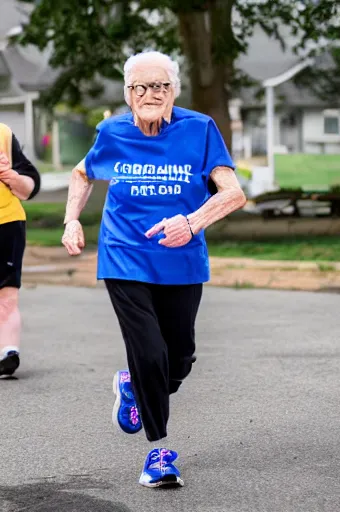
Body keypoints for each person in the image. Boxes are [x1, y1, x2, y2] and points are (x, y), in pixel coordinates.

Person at [61, 50, 246, 488]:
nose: (150, 94)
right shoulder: (112, 131)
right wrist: (71, 219)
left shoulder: (199, 129)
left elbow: (233, 192)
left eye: (160, 86)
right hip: (124, 255)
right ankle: (157, 453)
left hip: (182, 258)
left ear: (174, 90)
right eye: (140, 87)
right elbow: (82, 174)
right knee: (149, 352)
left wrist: (192, 221)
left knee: (179, 357)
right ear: (127, 93)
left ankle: (133, 388)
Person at [0, 124, 40, 377]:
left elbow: (29, 185)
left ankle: (8, 352)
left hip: (7, 221)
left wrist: (10, 174)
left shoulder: (2, 133)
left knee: (7, 296)